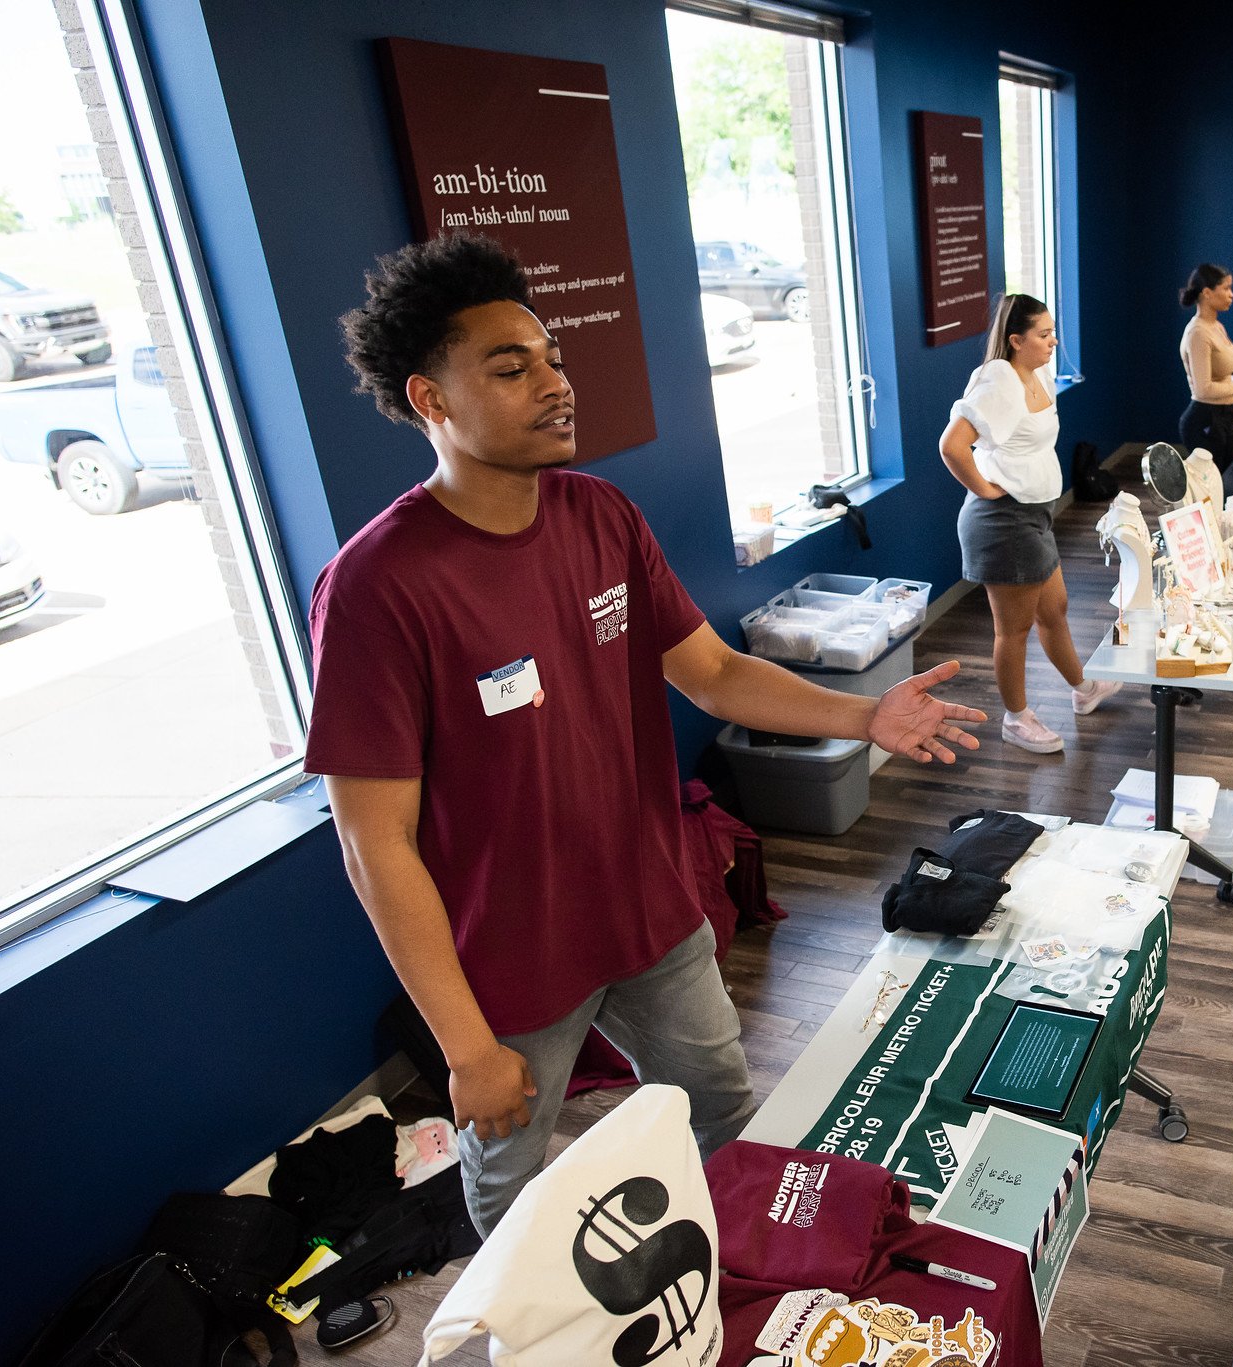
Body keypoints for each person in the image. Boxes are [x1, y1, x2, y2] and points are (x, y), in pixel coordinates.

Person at [310, 234, 987, 1236]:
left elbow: (710, 671)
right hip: (509, 959)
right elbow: (374, 843)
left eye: (551, 358)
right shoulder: (376, 586)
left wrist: (862, 714)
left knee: (719, 1108)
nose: (553, 383)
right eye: (510, 367)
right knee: (514, 1188)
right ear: (430, 400)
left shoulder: (598, 514)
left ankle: (739, 1291)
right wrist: (462, 1042)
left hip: (649, 906)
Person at [940, 293, 1123, 754]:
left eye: (1052, 331)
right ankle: (1016, 720)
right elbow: (953, 445)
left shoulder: (1032, 372)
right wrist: (983, 488)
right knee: (1013, 630)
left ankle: (1084, 689)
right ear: (1016, 339)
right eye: (1043, 335)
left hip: (1034, 516)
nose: (1054, 341)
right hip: (1004, 522)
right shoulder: (999, 378)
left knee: (1055, 609)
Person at [1176, 263, 1233, 472]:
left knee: (1226, 482)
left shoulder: (1216, 327)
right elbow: (1204, 389)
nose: (1231, 295)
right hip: (1205, 420)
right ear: (1207, 293)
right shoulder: (1198, 333)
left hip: (1223, 416)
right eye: (1226, 288)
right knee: (1214, 486)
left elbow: (1224, 374)